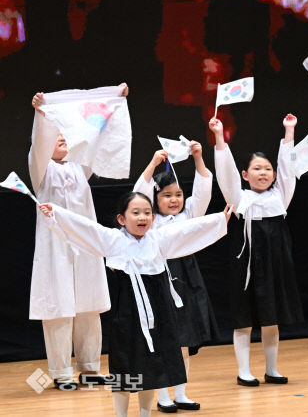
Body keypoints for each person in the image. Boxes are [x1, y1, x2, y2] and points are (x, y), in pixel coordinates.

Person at [38, 193, 230, 417]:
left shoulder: (159, 240)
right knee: (125, 370)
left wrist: (218, 220)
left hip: (159, 317)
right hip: (127, 318)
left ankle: (144, 414)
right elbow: (86, 228)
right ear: (122, 219)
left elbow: (187, 230)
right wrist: (57, 214)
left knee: (151, 370)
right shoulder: (113, 240)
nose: (143, 217)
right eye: (136, 213)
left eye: (148, 213)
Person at [28, 84, 128, 390]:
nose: (60, 137)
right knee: (59, 310)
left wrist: (114, 102)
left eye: (64, 134)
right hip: (55, 247)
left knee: (89, 305)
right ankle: (60, 372)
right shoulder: (41, 171)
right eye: (55, 134)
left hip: (84, 246)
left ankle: (90, 368)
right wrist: (41, 115)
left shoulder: (79, 169)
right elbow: (39, 142)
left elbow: (93, 134)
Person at [211, 114, 304, 386]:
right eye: (256, 168)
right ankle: (243, 370)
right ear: (245, 174)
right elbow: (225, 174)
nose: (263, 173)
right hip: (247, 261)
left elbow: (288, 169)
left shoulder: (280, 197)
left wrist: (289, 133)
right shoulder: (240, 198)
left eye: (267, 169)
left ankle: (272, 369)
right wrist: (219, 137)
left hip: (276, 260)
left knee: (271, 316)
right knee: (244, 316)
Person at [133, 142, 219, 413]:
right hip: (159, 279)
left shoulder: (189, 215)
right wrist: (153, 164)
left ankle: (180, 392)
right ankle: (162, 395)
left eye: (178, 194)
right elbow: (139, 191)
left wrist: (198, 158)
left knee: (184, 339)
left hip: (187, 278)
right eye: (167, 195)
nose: (174, 200)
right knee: (163, 340)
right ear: (155, 200)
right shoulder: (151, 221)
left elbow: (204, 188)